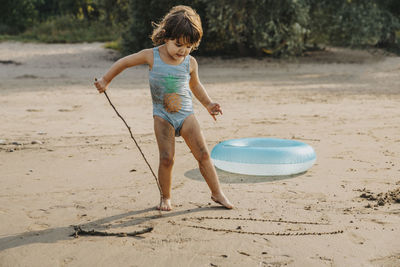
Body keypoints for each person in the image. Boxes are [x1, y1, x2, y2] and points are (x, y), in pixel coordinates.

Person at [94, 5, 233, 211]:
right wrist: (106, 80)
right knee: (167, 159)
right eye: (178, 44)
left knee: (203, 154)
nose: (183, 51)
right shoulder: (152, 56)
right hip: (163, 116)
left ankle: (217, 193)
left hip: (186, 115)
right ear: (166, 36)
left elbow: (195, 85)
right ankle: (166, 197)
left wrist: (209, 104)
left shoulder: (190, 62)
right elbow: (124, 62)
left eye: (188, 46)